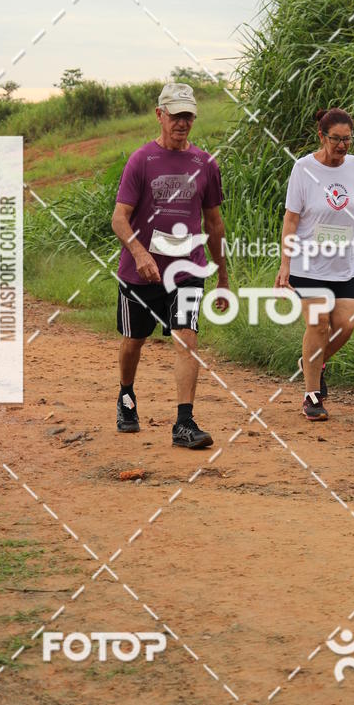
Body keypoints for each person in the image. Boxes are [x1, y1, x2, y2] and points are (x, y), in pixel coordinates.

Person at [111, 82, 229, 448]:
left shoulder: (205, 164)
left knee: (186, 339)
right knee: (134, 341)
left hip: (188, 269)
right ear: (159, 115)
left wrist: (223, 276)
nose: (182, 122)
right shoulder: (141, 160)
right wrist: (140, 253)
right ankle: (126, 396)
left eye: (188, 115)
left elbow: (214, 223)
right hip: (140, 273)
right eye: (175, 115)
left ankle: (184, 422)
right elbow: (119, 218)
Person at [275, 107, 354, 421]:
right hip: (308, 264)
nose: (343, 146)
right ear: (321, 137)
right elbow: (291, 219)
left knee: (346, 325)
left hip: (343, 264)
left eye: (348, 139)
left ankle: (308, 363)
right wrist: (285, 264)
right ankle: (311, 396)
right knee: (318, 325)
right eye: (336, 139)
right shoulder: (303, 169)